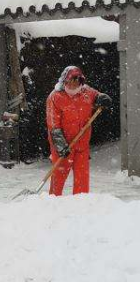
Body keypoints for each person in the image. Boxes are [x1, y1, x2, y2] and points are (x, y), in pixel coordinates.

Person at [46, 66, 112, 195]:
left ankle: (80, 204)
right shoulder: (55, 97)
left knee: (82, 178)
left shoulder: (86, 92)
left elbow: (98, 95)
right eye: (70, 83)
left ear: (81, 82)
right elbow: (53, 124)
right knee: (58, 177)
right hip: (62, 144)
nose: (73, 86)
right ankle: (52, 202)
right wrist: (60, 145)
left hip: (82, 144)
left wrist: (102, 98)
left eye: (76, 83)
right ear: (64, 81)